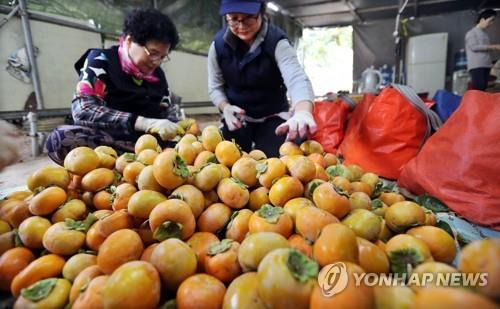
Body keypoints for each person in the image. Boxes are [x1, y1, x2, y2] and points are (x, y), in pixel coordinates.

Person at [45, 8, 181, 165]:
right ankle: (136, 164)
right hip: (111, 144)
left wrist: (174, 126)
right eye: (152, 53)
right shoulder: (100, 61)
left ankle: (148, 164)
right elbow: (83, 110)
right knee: (60, 139)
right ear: (129, 41)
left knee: (190, 144)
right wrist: (144, 123)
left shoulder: (158, 75)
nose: (156, 61)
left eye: (163, 57)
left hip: (151, 147)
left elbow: (167, 113)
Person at [208, 0, 317, 158]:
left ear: (261, 13)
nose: (241, 24)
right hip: (238, 117)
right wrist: (225, 107)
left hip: (272, 116)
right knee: (230, 160)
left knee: (276, 160)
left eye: (248, 17)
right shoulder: (218, 46)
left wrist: (303, 111)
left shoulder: (277, 42)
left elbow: (296, 78)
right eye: (234, 18)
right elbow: (215, 87)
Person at [465, 9, 500, 91]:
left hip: (486, 65)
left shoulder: (484, 34)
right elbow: (474, 47)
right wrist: (494, 47)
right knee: (479, 89)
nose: (491, 24)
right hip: (477, 66)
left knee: (483, 89)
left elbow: (485, 48)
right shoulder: (471, 33)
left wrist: (493, 48)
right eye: (490, 21)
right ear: (482, 20)